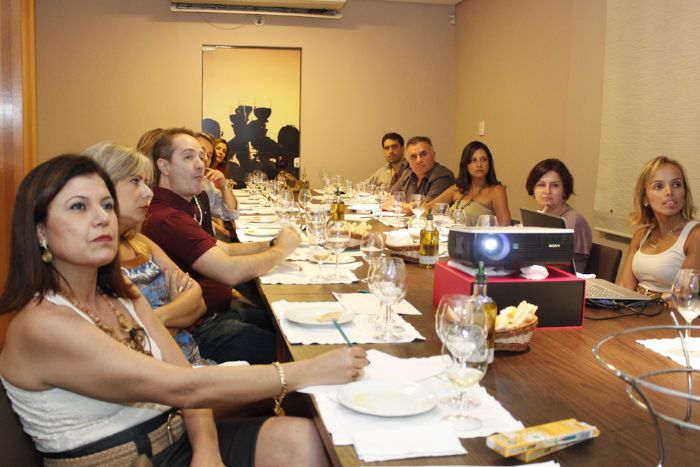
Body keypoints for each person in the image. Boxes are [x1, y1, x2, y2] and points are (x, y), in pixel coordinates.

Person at [0, 154, 367, 466]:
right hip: (122, 459)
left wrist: (207, 451)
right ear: (40, 232)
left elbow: (185, 374)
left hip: (175, 440)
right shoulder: (42, 325)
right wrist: (306, 370)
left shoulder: (121, 293)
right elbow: (182, 387)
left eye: (107, 205)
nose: (102, 218)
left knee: (306, 441)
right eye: (79, 207)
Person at [142, 127, 301, 364]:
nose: (201, 164)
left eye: (201, 156)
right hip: (204, 330)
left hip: (220, 312)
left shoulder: (179, 208)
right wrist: (281, 251)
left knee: (286, 321)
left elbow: (222, 248)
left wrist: (272, 243)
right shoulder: (167, 218)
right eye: (188, 157)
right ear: (164, 166)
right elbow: (229, 271)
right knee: (295, 349)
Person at [82, 141, 213, 366]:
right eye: (135, 181)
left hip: (190, 361)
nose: (148, 192)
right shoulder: (93, 260)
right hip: (165, 376)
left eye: (146, 182)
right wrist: (176, 311)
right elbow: (131, 353)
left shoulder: (139, 241)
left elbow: (198, 300)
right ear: (103, 187)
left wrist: (151, 322)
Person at [618, 156, 699, 296]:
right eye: (659, 186)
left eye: (676, 185)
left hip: (667, 310)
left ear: (684, 193)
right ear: (645, 197)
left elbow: (685, 297)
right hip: (633, 306)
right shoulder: (641, 235)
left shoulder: (695, 235)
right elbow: (625, 286)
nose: (669, 192)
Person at [525, 158, 591, 272]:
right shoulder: (538, 217)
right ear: (533, 190)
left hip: (564, 280)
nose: (547, 191)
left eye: (555, 185)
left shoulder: (573, 220)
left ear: (564, 190)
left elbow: (561, 265)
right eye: (541, 185)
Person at [427, 140, 511, 228]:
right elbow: (429, 208)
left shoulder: (496, 191)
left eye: (484, 160)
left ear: (489, 164)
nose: (479, 164)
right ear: (466, 166)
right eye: (474, 160)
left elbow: (505, 227)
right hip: (449, 235)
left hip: (478, 236)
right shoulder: (458, 188)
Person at [388, 136, 455, 213]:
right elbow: (388, 197)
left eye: (423, 154)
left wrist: (399, 205)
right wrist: (407, 206)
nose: (418, 160)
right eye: (413, 156)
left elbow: (425, 209)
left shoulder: (443, 177)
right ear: (408, 160)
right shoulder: (407, 173)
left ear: (433, 156)